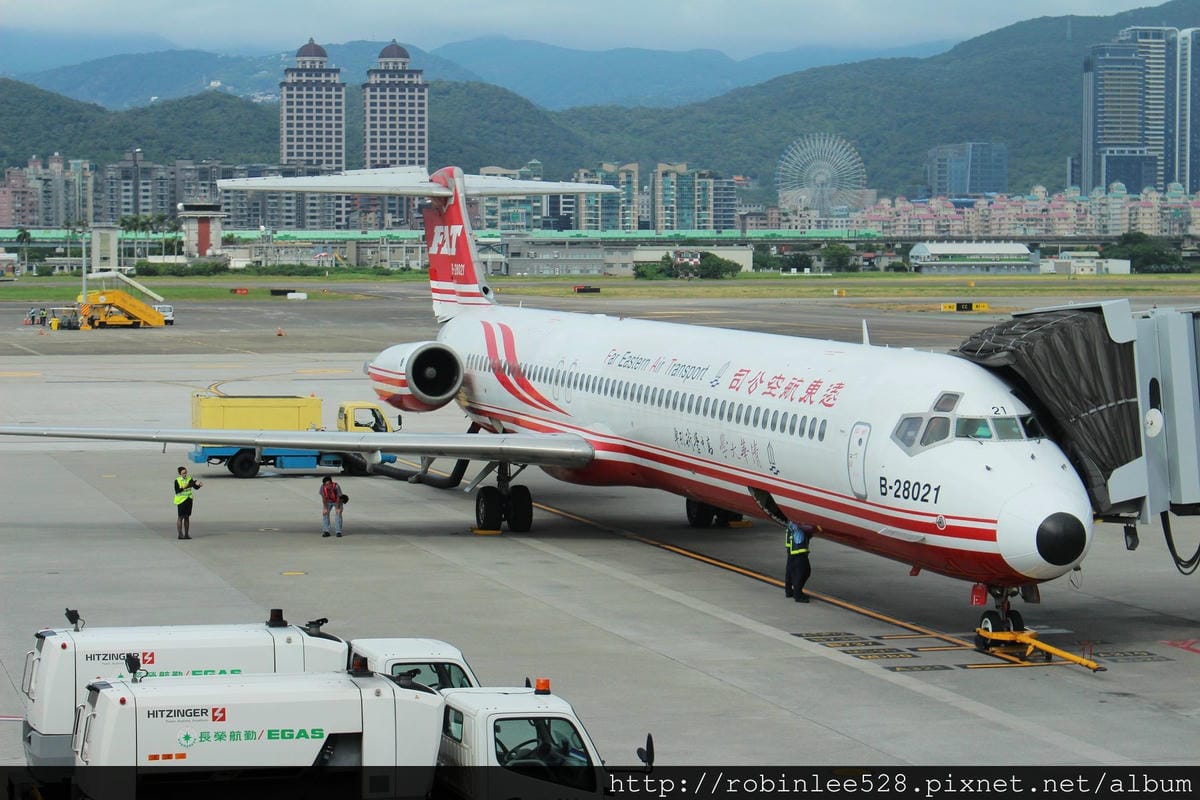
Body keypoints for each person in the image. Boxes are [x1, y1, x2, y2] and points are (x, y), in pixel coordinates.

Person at [784, 520, 814, 602]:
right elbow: (809, 529)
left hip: (791, 549)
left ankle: (789, 591)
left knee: (790, 571)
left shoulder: (791, 519)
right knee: (804, 572)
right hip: (799, 551)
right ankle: (798, 595)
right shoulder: (798, 521)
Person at [173, 466, 202, 539]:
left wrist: (198, 485)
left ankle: (186, 534)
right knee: (180, 517)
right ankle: (180, 534)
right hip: (181, 500)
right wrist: (184, 487)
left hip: (189, 499)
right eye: (183, 473)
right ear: (180, 474)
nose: (185, 474)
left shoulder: (189, 478)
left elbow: (194, 487)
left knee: (187, 517)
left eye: (186, 473)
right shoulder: (177, 480)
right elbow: (177, 491)